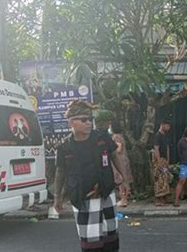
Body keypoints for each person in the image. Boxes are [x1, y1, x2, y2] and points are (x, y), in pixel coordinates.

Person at [53, 100, 126, 251]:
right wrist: (57, 197)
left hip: (106, 193)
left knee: (110, 235)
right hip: (83, 197)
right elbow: (60, 172)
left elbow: (114, 156)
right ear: (71, 123)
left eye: (90, 119)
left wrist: (124, 179)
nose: (88, 123)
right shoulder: (64, 147)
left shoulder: (102, 138)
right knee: (90, 240)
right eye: (84, 120)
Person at [110, 121, 133, 207]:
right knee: (124, 179)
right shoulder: (121, 136)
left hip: (120, 160)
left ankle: (124, 199)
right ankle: (125, 198)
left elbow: (119, 149)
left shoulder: (116, 137)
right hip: (124, 159)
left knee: (121, 180)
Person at [152, 120, 172, 206]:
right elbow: (156, 149)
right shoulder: (157, 136)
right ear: (162, 125)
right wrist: (159, 161)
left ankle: (164, 197)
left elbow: (167, 148)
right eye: (167, 126)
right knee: (159, 179)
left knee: (165, 178)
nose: (168, 128)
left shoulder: (165, 136)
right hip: (159, 159)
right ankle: (158, 198)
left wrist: (168, 159)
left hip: (165, 160)